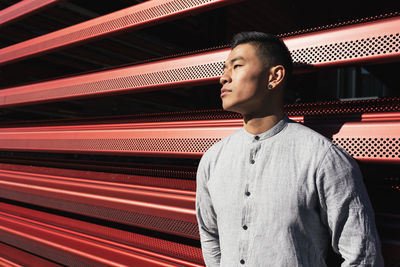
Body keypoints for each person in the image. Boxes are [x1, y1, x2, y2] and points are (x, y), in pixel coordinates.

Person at [195, 31, 383, 266]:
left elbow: (362, 256)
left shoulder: (322, 158)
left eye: (237, 66)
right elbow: (210, 235)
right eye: (225, 68)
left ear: (274, 76)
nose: (224, 78)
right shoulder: (213, 159)